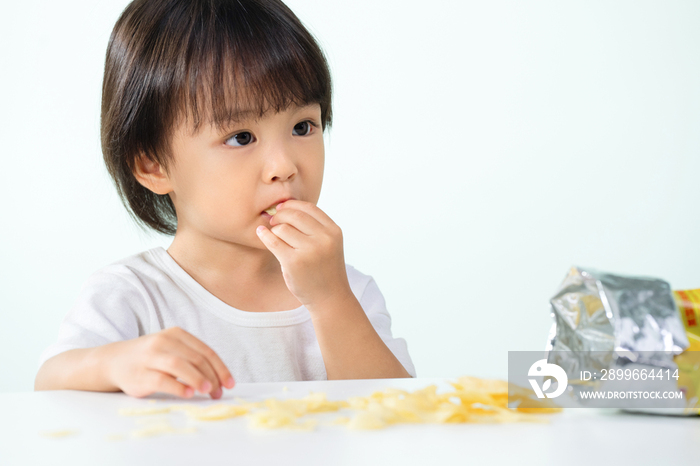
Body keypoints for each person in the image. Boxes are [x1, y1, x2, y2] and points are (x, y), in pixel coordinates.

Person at [34, 0, 415, 400]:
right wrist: (114, 363)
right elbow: (50, 381)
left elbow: (403, 410)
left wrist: (330, 299)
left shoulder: (347, 290)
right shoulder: (133, 296)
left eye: (303, 126)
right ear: (153, 165)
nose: (283, 166)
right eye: (241, 138)